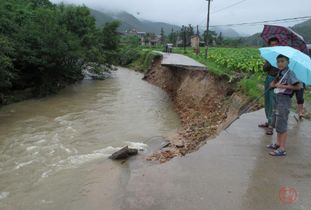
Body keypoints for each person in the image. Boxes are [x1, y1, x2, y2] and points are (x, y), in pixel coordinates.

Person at [267, 54, 302, 157]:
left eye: (282, 61)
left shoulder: (290, 73)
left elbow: (298, 86)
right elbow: (273, 84)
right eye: (278, 62)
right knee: (277, 122)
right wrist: (273, 84)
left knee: (282, 123)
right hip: (277, 99)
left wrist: (281, 85)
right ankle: (278, 143)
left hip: (284, 100)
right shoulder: (280, 73)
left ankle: (282, 148)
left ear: (288, 62)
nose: (280, 63)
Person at [258, 37, 279, 135]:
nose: (273, 46)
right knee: (267, 101)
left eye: (275, 44)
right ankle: (268, 121)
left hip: (276, 81)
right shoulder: (270, 55)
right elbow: (265, 69)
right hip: (269, 78)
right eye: (272, 44)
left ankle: (271, 125)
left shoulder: (281, 56)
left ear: (278, 44)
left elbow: (282, 70)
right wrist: (267, 62)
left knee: (272, 102)